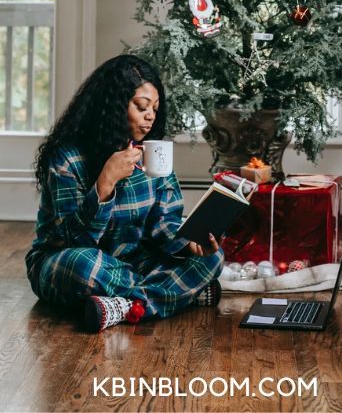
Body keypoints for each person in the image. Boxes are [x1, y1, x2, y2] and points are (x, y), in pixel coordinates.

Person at [25, 53, 224, 331]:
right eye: (141, 106)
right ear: (114, 107)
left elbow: (164, 225)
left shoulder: (152, 155)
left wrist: (188, 244)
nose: (150, 116)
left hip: (134, 261)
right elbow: (72, 240)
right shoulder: (68, 159)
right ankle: (172, 294)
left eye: (155, 107)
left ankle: (126, 306)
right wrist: (105, 182)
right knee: (84, 265)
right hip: (68, 260)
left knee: (212, 257)